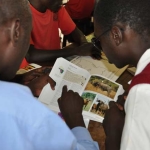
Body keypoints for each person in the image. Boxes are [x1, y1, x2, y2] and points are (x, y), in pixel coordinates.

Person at [0, 0, 100, 149]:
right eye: (27, 37)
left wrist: (19, 79)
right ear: (16, 31)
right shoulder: (26, 116)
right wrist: (76, 120)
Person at [93, 0, 150, 150]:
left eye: (99, 41)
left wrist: (114, 133)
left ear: (116, 35)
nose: (101, 48)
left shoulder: (143, 91)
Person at [20, 0, 101, 68]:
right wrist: (76, 51)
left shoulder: (55, 7)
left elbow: (74, 31)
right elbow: (31, 55)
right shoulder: (22, 13)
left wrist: (84, 45)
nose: (62, 1)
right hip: (33, 69)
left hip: (55, 63)